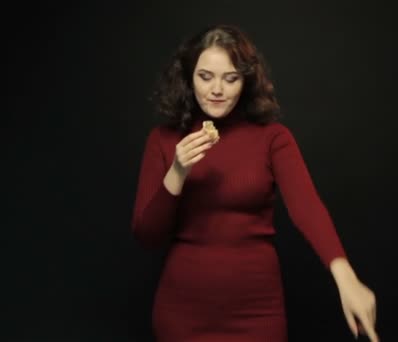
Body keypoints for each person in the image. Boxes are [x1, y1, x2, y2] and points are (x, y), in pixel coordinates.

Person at [131, 24, 379, 342]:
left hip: (257, 313)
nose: (217, 89)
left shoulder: (273, 138)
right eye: (205, 76)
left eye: (230, 78)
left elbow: (307, 207)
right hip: (182, 313)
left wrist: (345, 277)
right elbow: (147, 237)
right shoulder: (163, 140)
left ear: (245, 80)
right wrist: (177, 171)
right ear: (189, 77)